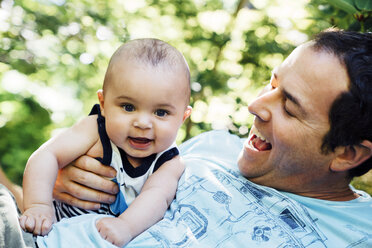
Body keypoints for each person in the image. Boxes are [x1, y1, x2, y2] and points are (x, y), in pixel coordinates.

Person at [0, 28, 370, 248]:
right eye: (271, 85)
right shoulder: (213, 145)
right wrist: (57, 187)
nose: (255, 105)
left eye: (290, 108)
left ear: (348, 153)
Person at [19, 38, 192, 247]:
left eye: (161, 112)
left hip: (100, 240)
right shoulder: (95, 131)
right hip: (52, 230)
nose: (143, 123)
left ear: (182, 117)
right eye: (128, 107)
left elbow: (157, 197)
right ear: (103, 104)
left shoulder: (169, 162)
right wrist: (38, 205)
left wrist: (125, 226)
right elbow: (47, 155)